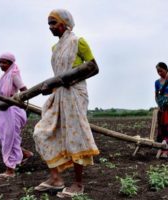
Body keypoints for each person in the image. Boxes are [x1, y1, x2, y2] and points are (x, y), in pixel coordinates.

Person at [33, 9, 100, 198]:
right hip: (59, 94)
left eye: (53, 23)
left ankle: (78, 184)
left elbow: (94, 67)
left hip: (75, 94)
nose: (50, 27)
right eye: (49, 24)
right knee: (42, 133)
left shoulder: (79, 42)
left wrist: (66, 79)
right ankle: (56, 179)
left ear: (65, 23)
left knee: (74, 136)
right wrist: (51, 87)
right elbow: (57, 75)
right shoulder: (54, 49)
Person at [0, 52, 33, 179]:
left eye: (4, 62)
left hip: (12, 111)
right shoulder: (3, 76)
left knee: (9, 139)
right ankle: (25, 154)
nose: (1, 65)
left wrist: (18, 99)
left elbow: (24, 90)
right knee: (3, 138)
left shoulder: (13, 74)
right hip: (4, 110)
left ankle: (10, 170)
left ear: (11, 64)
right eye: (0, 62)